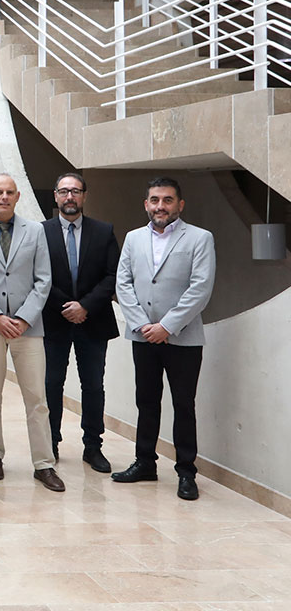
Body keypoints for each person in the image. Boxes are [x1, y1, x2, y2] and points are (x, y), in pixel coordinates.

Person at [112, 177, 215, 501]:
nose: (160, 206)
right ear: (146, 204)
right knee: (146, 401)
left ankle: (186, 472)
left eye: (167, 200)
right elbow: (123, 284)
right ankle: (145, 462)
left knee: (184, 405)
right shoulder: (132, 238)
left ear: (179, 205)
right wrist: (144, 325)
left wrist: (167, 326)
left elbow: (200, 288)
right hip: (143, 338)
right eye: (155, 200)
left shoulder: (199, 238)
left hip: (183, 339)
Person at [0, 173, 64, 492]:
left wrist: (22, 318)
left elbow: (44, 279)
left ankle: (44, 463)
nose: (4, 197)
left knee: (36, 397)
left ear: (18, 196)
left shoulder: (35, 231)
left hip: (28, 327)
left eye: (9, 192)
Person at [41, 173, 120, 473]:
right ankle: (50, 443)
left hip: (94, 320)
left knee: (93, 386)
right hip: (54, 321)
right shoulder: (41, 233)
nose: (69, 197)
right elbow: (39, 276)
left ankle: (93, 446)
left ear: (85, 196)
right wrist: (67, 306)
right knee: (51, 384)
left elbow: (112, 276)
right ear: (56, 196)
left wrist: (85, 306)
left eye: (75, 191)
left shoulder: (104, 231)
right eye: (64, 191)